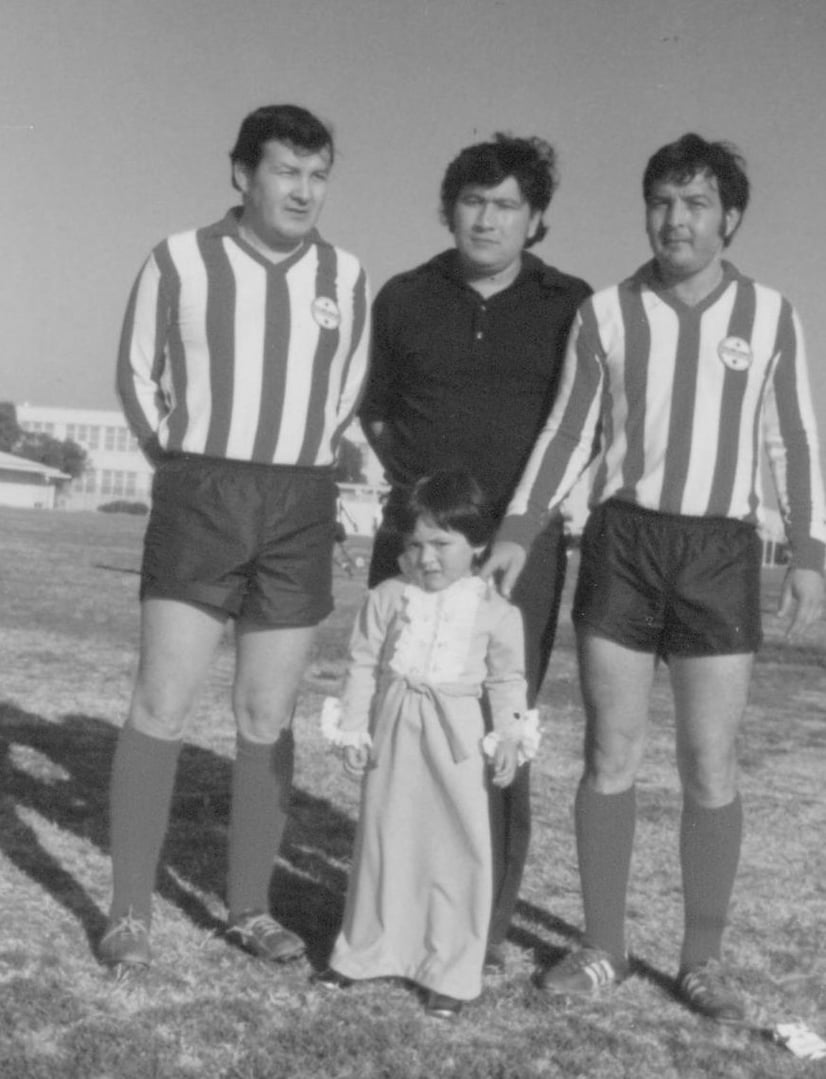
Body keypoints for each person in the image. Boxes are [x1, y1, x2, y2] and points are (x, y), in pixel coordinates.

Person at [482, 133, 826, 1022]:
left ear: (731, 218)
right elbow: (569, 432)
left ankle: (702, 958)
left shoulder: (773, 315)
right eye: (664, 201)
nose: (677, 219)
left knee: (710, 759)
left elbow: (796, 442)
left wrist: (811, 557)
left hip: (719, 551)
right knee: (610, 751)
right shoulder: (606, 313)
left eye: (697, 203)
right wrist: (521, 528)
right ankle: (603, 947)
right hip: (624, 544)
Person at [101, 104, 371, 970]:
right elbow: (136, 372)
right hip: (203, 490)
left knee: (267, 710)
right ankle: (131, 909)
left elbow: (348, 389)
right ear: (243, 175)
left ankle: (249, 904)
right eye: (287, 170)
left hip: (298, 501)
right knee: (163, 700)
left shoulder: (347, 274)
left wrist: (302, 465)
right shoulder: (180, 258)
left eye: (318, 173)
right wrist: (180, 461)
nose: (303, 189)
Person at [359, 134, 591, 968]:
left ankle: (480, 924)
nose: (486, 218)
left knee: (495, 728)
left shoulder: (573, 305)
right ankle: (394, 906)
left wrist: (513, 528)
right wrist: (430, 517)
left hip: (517, 557)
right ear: (449, 209)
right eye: (472, 201)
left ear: (536, 221)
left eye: (505, 205)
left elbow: (584, 426)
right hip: (414, 548)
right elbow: (376, 413)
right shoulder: (405, 297)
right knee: (404, 720)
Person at [317, 471, 539, 1019]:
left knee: (458, 849)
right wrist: (354, 727)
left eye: (443, 544)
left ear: (478, 545)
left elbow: (508, 681)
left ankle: (451, 970)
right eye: (414, 545)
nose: (427, 558)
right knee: (383, 839)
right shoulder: (388, 597)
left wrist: (510, 735)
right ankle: (364, 951)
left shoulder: (496, 610)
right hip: (394, 730)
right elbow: (364, 663)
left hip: (457, 738)